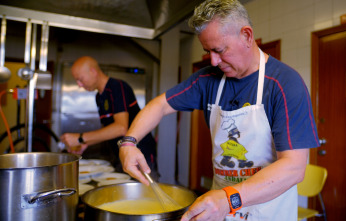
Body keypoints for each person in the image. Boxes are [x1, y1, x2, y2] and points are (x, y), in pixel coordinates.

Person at [118, 0, 320, 220]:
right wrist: (129, 142)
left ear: (247, 36)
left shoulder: (284, 84)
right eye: (208, 52)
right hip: (218, 212)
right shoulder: (208, 79)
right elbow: (160, 104)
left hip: (267, 212)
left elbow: (294, 167)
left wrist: (228, 199)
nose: (213, 61)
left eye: (219, 50)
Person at [61, 56, 157, 175]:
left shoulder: (117, 87)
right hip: (121, 155)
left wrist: (80, 137)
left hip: (140, 154)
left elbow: (121, 128)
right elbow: (108, 130)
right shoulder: (99, 97)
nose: (79, 84)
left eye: (80, 79)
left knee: (145, 192)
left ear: (93, 71)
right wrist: (85, 143)